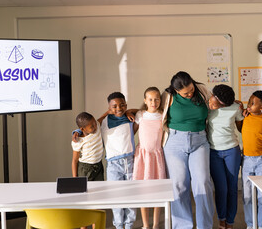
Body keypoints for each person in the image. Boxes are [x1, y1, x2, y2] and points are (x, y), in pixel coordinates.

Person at [73, 92, 137, 229]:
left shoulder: (130, 119)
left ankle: (129, 224)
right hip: (114, 165)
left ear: (126, 104)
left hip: (131, 161)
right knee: (116, 196)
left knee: (132, 195)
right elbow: (87, 127)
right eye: (114, 106)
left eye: (122, 105)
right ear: (109, 107)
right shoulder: (103, 123)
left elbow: (143, 112)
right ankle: (119, 225)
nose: (119, 108)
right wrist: (77, 131)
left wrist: (129, 111)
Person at [161, 71, 214, 229]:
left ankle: (205, 226)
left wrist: (234, 102)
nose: (190, 93)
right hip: (175, 142)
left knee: (203, 182)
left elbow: (215, 103)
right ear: (176, 91)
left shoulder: (201, 89)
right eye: (185, 93)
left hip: (200, 141)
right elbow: (153, 109)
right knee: (178, 185)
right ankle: (183, 226)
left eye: (191, 89)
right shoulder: (168, 96)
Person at [207, 84, 244, 229]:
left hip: (232, 151)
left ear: (222, 103)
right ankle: (221, 220)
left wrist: (245, 111)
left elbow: (241, 128)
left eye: (215, 104)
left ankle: (230, 222)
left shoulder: (235, 108)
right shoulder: (207, 108)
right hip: (213, 152)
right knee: (221, 188)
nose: (212, 105)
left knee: (232, 188)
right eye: (211, 101)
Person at [132, 87, 166, 229]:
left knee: (158, 191)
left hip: (157, 156)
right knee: (143, 192)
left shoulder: (163, 115)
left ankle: (156, 224)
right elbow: (131, 132)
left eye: (157, 99)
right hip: (143, 158)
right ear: (145, 100)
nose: (154, 102)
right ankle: (146, 224)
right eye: (150, 99)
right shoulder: (140, 115)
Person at [241, 90, 262, 229]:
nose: (249, 105)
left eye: (253, 103)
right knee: (247, 195)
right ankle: (250, 224)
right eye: (249, 101)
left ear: (261, 107)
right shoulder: (245, 116)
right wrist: (241, 105)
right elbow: (235, 103)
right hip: (246, 159)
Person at [71, 112, 104, 181]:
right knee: (85, 189)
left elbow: (102, 118)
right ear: (82, 129)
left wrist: (109, 112)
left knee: (100, 187)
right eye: (92, 126)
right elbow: (75, 160)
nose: (95, 127)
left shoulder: (97, 126)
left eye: (95, 123)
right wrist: (74, 178)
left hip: (98, 165)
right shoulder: (78, 141)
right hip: (85, 169)